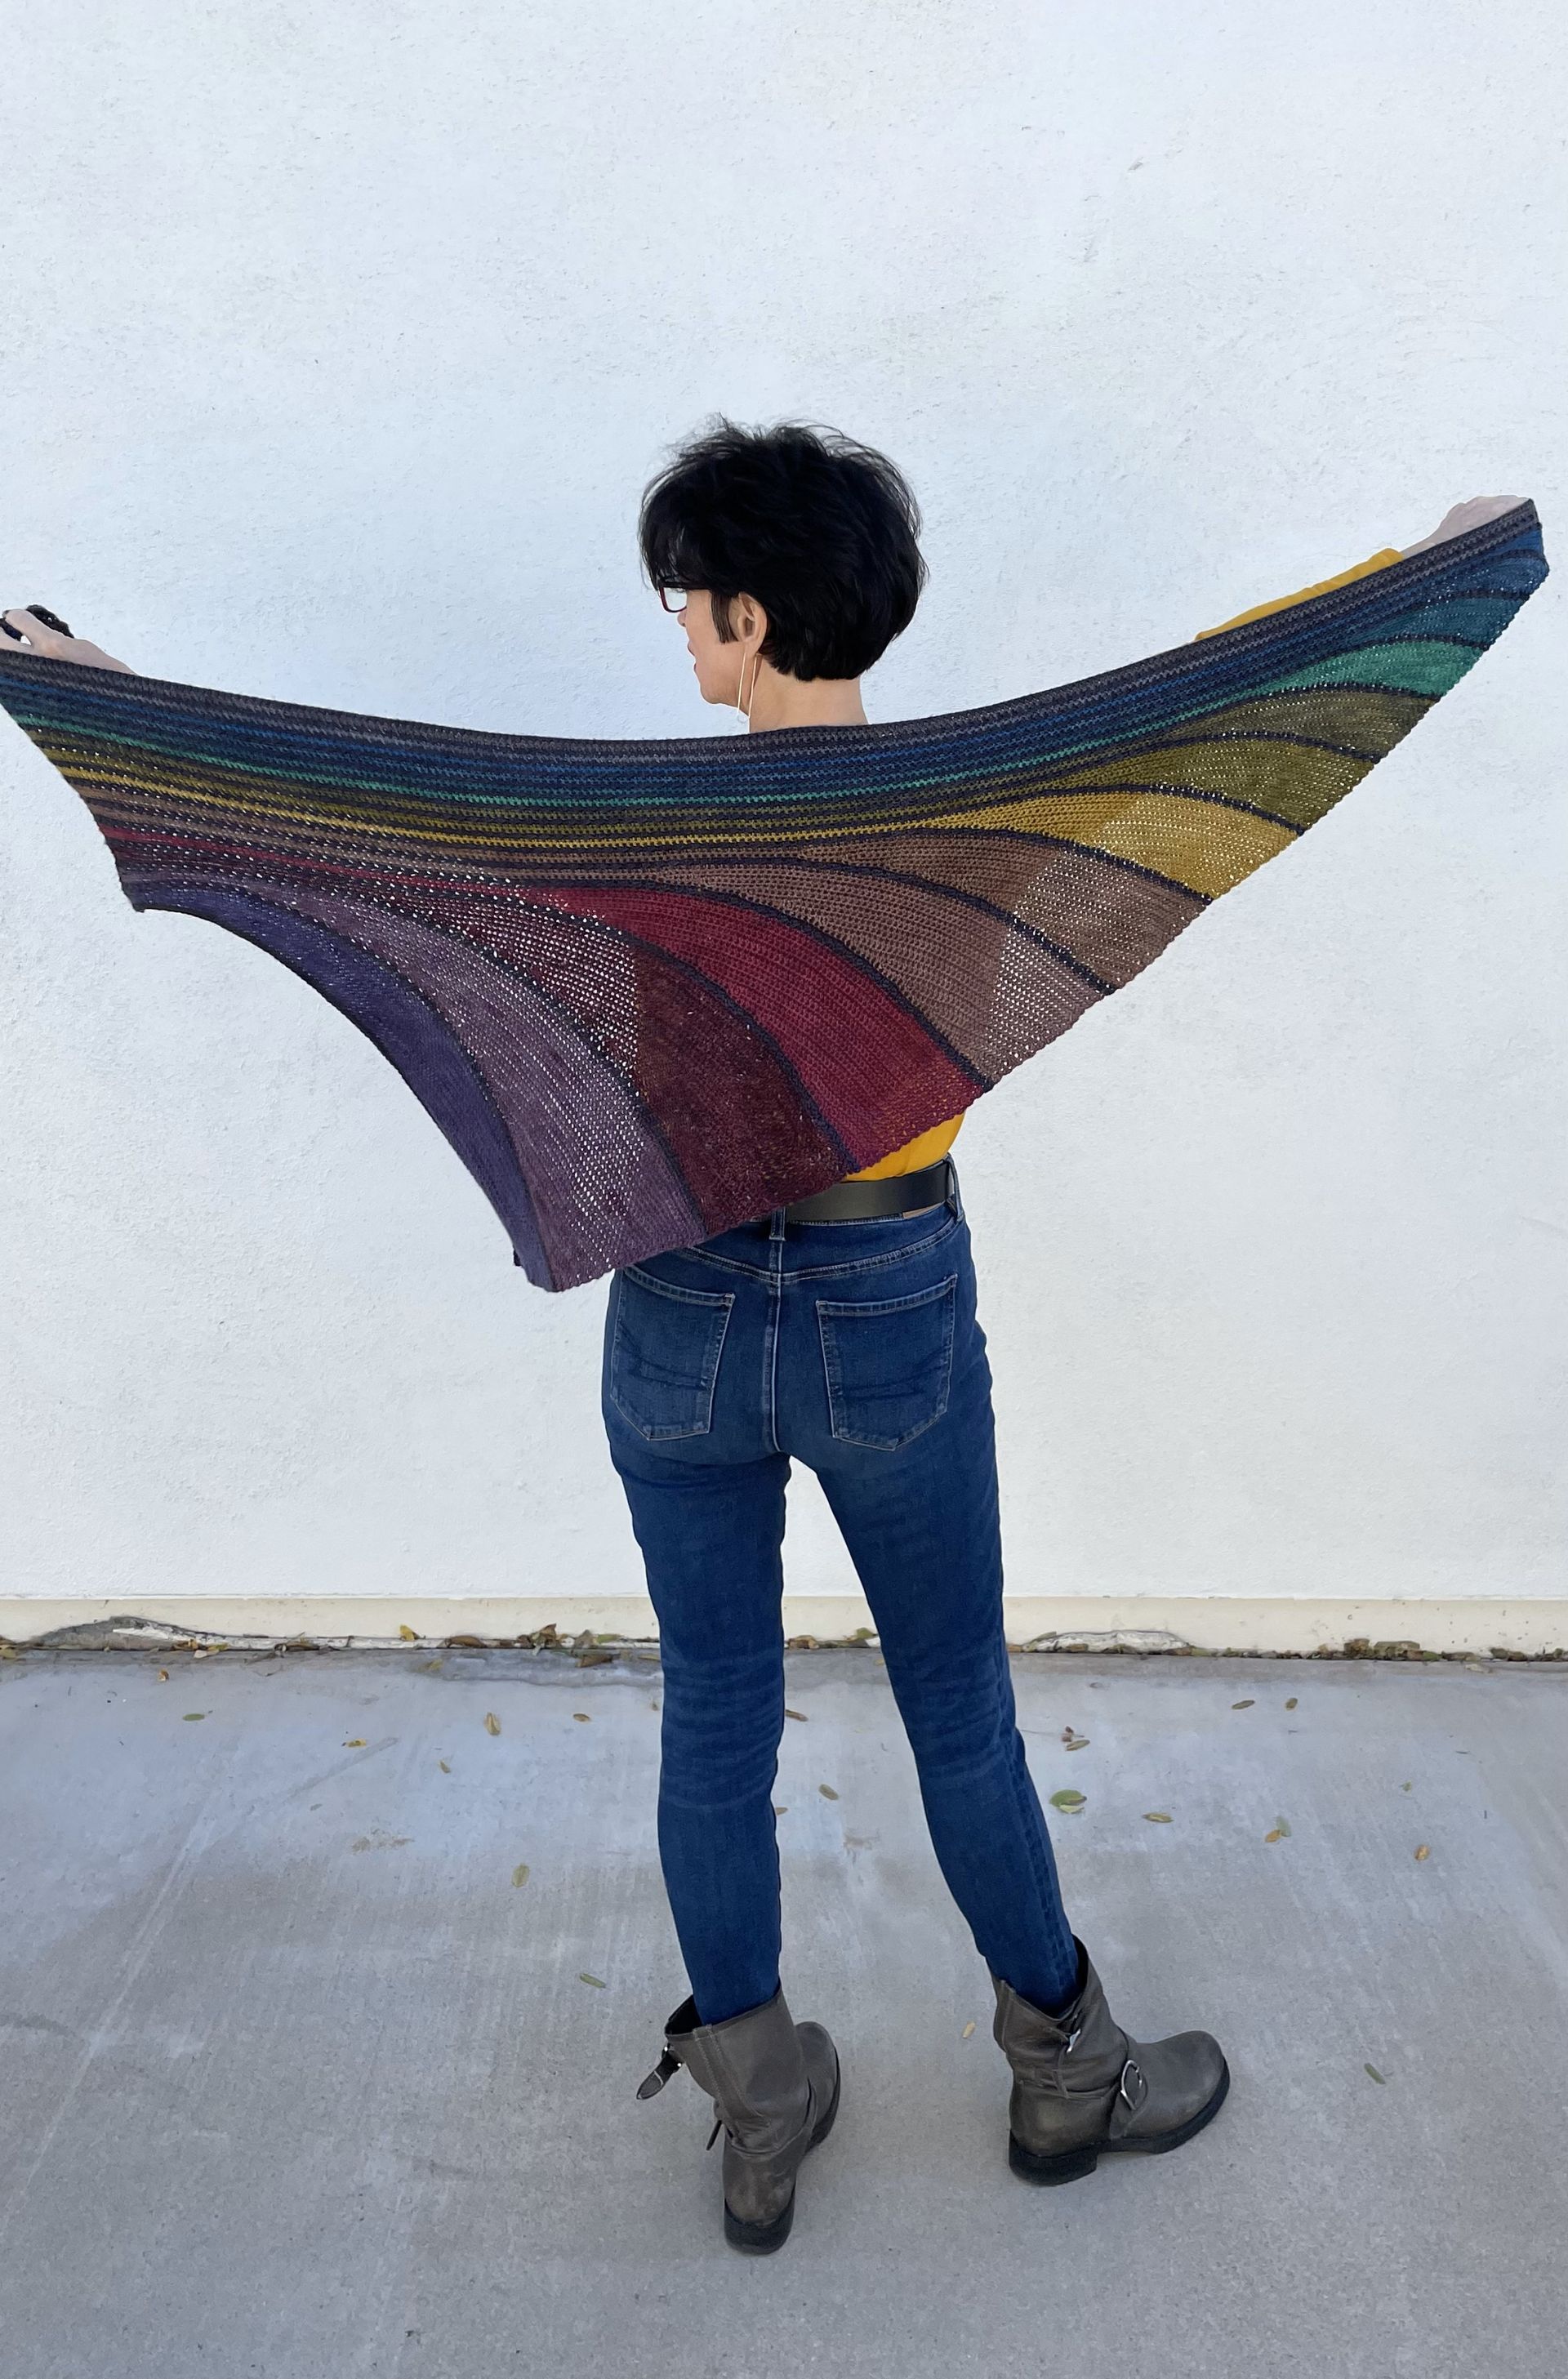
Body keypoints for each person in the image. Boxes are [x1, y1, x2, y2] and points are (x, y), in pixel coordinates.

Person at [3, 452, 1512, 2261]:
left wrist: (106, 704)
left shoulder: (644, 844)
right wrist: (1416, 574)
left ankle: (760, 2105)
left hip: (684, 1325)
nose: (680, 638)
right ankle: (1067, 2069)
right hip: (891, 1317)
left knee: (715, 1713)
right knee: (957, 1703)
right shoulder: (968, 811)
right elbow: (1211, 692)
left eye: (686, 602)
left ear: (753, 609)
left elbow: (365, 809)